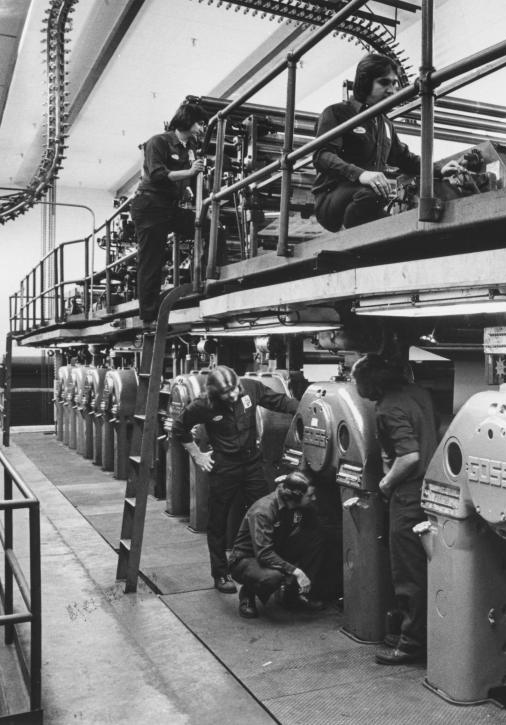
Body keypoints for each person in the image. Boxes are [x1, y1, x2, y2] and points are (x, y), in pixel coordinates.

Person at [170, 365, 300, 594]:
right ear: (214, 393)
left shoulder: (250, 387)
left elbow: (279, 402)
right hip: (225, 466)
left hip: (252, 464)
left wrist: (303, 409)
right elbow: (179, 427)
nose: (233, 395)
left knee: (267, 513)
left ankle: (269, 566)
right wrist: (197, 455)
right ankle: (220, 574)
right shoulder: (203, 404)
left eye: (235, 389)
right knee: (218, 521)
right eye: (226, 392)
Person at [311, 54, 461, 232]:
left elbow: (404, 158)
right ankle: (347, 237)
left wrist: (439, 169)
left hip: (369, 198)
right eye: (384, 83)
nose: (392, 90)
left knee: (400, 228)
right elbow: (322, 156)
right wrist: (361, 174)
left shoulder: (385, 123)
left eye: (395, 83)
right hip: (331, 200)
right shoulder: (336, 113)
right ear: (365, 82)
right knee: (373, 193)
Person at [352, 353, 437, 665]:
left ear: (368, 383)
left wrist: (386, 484)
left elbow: (409, 456)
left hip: (407, 495)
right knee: (421, 567)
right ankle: (411, 630)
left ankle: (411, 644)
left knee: (407, 573)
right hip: (431, 488)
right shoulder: (419, 393)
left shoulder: (387, 408)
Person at [130, 102, 206, 324]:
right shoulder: (158, 141)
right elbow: (156, 174)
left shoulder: (189, 148)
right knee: (152, 260)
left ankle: (203, 284)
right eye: (200, 123)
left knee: (210, 227)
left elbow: (188, 179)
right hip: (150, 206)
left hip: (170, 207)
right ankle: (149, 317)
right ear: (187, 121)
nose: (202, 128)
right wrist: (190, 172)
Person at [228, 471, 329, 619]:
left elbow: (316, 528)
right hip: (246, 559)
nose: (314, 498)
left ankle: (292, 595)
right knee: (273, 577)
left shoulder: (297, 502)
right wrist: (296, 571)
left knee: (317, 538)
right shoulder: (263, 510)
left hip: (274, 548)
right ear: (296, 496)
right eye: (310, 495)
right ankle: (247, 593)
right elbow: (264, 554)